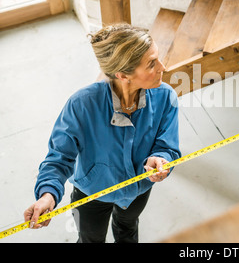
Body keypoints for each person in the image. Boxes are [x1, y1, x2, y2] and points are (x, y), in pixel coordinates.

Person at [24, 24, 181, 242]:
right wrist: (47, 194)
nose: (163, 67)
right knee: (90, 239)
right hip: (90, 195)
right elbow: (59, 157)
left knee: (127, 228)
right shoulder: (81, 105)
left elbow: (167, 146)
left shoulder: (166, 97)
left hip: (138, 190)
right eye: (152, 63)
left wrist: (162, 158)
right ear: (123, 75)